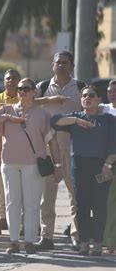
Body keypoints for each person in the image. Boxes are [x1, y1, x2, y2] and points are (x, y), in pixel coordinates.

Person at [0, 78, 62, 254]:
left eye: (26, 88)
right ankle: (13, 241)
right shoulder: (7, 109)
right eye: (19, 89)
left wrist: (58, 165)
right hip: (9, 163)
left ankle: (29, 242)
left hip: (33, 164)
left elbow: (53, 142)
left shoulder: (42, 114)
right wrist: (6, 117)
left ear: (34, 92)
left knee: (32, 204)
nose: (22, 92)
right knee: (12, 202)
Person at [51, 85, 116, 256]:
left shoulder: (108, 120)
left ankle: (97, 243)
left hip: (100, 167)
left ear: (99, 100)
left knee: (99, 206)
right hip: (79, 166)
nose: (87, 98)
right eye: (84, 96)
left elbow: (113, 146)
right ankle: (84, 242)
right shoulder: (75, 118)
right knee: (82, 206)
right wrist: (76, 120)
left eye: (91, 95)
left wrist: (108, 165)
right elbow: (55, 121)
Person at [34, 51, 85, 251]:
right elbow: (29, 104)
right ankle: (46, 236)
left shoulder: (80, 87)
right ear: (52, 65)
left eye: (65, 62)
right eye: (58, 62)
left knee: (76, 195)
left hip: (73, 148)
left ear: (72, 65)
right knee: (47, 196)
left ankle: (77, 235)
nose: (61, 65)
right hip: (48, 149)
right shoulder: (43, 87)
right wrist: (49, 100)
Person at [0, 69, 21, 234]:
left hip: (16, 145)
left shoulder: (22, 100)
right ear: (4, 81)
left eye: (14, 79)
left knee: (13, 185)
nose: (11, 81)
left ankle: (14, 218)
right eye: (8, 78)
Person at [102, 80, 116, 253]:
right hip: (107, 163)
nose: (112, 93)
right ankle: (110, 242)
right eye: (110, 90)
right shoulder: (103, 109)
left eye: (115, 90)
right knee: (109, 204)